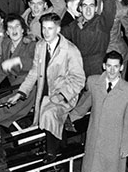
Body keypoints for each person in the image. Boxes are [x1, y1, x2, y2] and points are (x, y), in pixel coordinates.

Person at [76, 51, 128, 172]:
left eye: (116, 67)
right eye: (109, 66)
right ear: (104, 66)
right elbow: (84, 104)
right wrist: (67, 117)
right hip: (95, 138)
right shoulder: (94, 82)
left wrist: (126, 147)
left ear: (121, 67)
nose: (112, 70)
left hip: (115, 141)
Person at [12, 12, 85, 156]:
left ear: (58, 29)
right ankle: (60, 147)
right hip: (45, 93)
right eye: (43, 28)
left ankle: (52, 153)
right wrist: (21, 92)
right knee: (45, 113)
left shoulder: (70, 50)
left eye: (50, 28)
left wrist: (62, 96)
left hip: (64, 95)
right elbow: (34, 72)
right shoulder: (40, 46)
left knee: (49, 114)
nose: (46, 32)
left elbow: (79, 79)